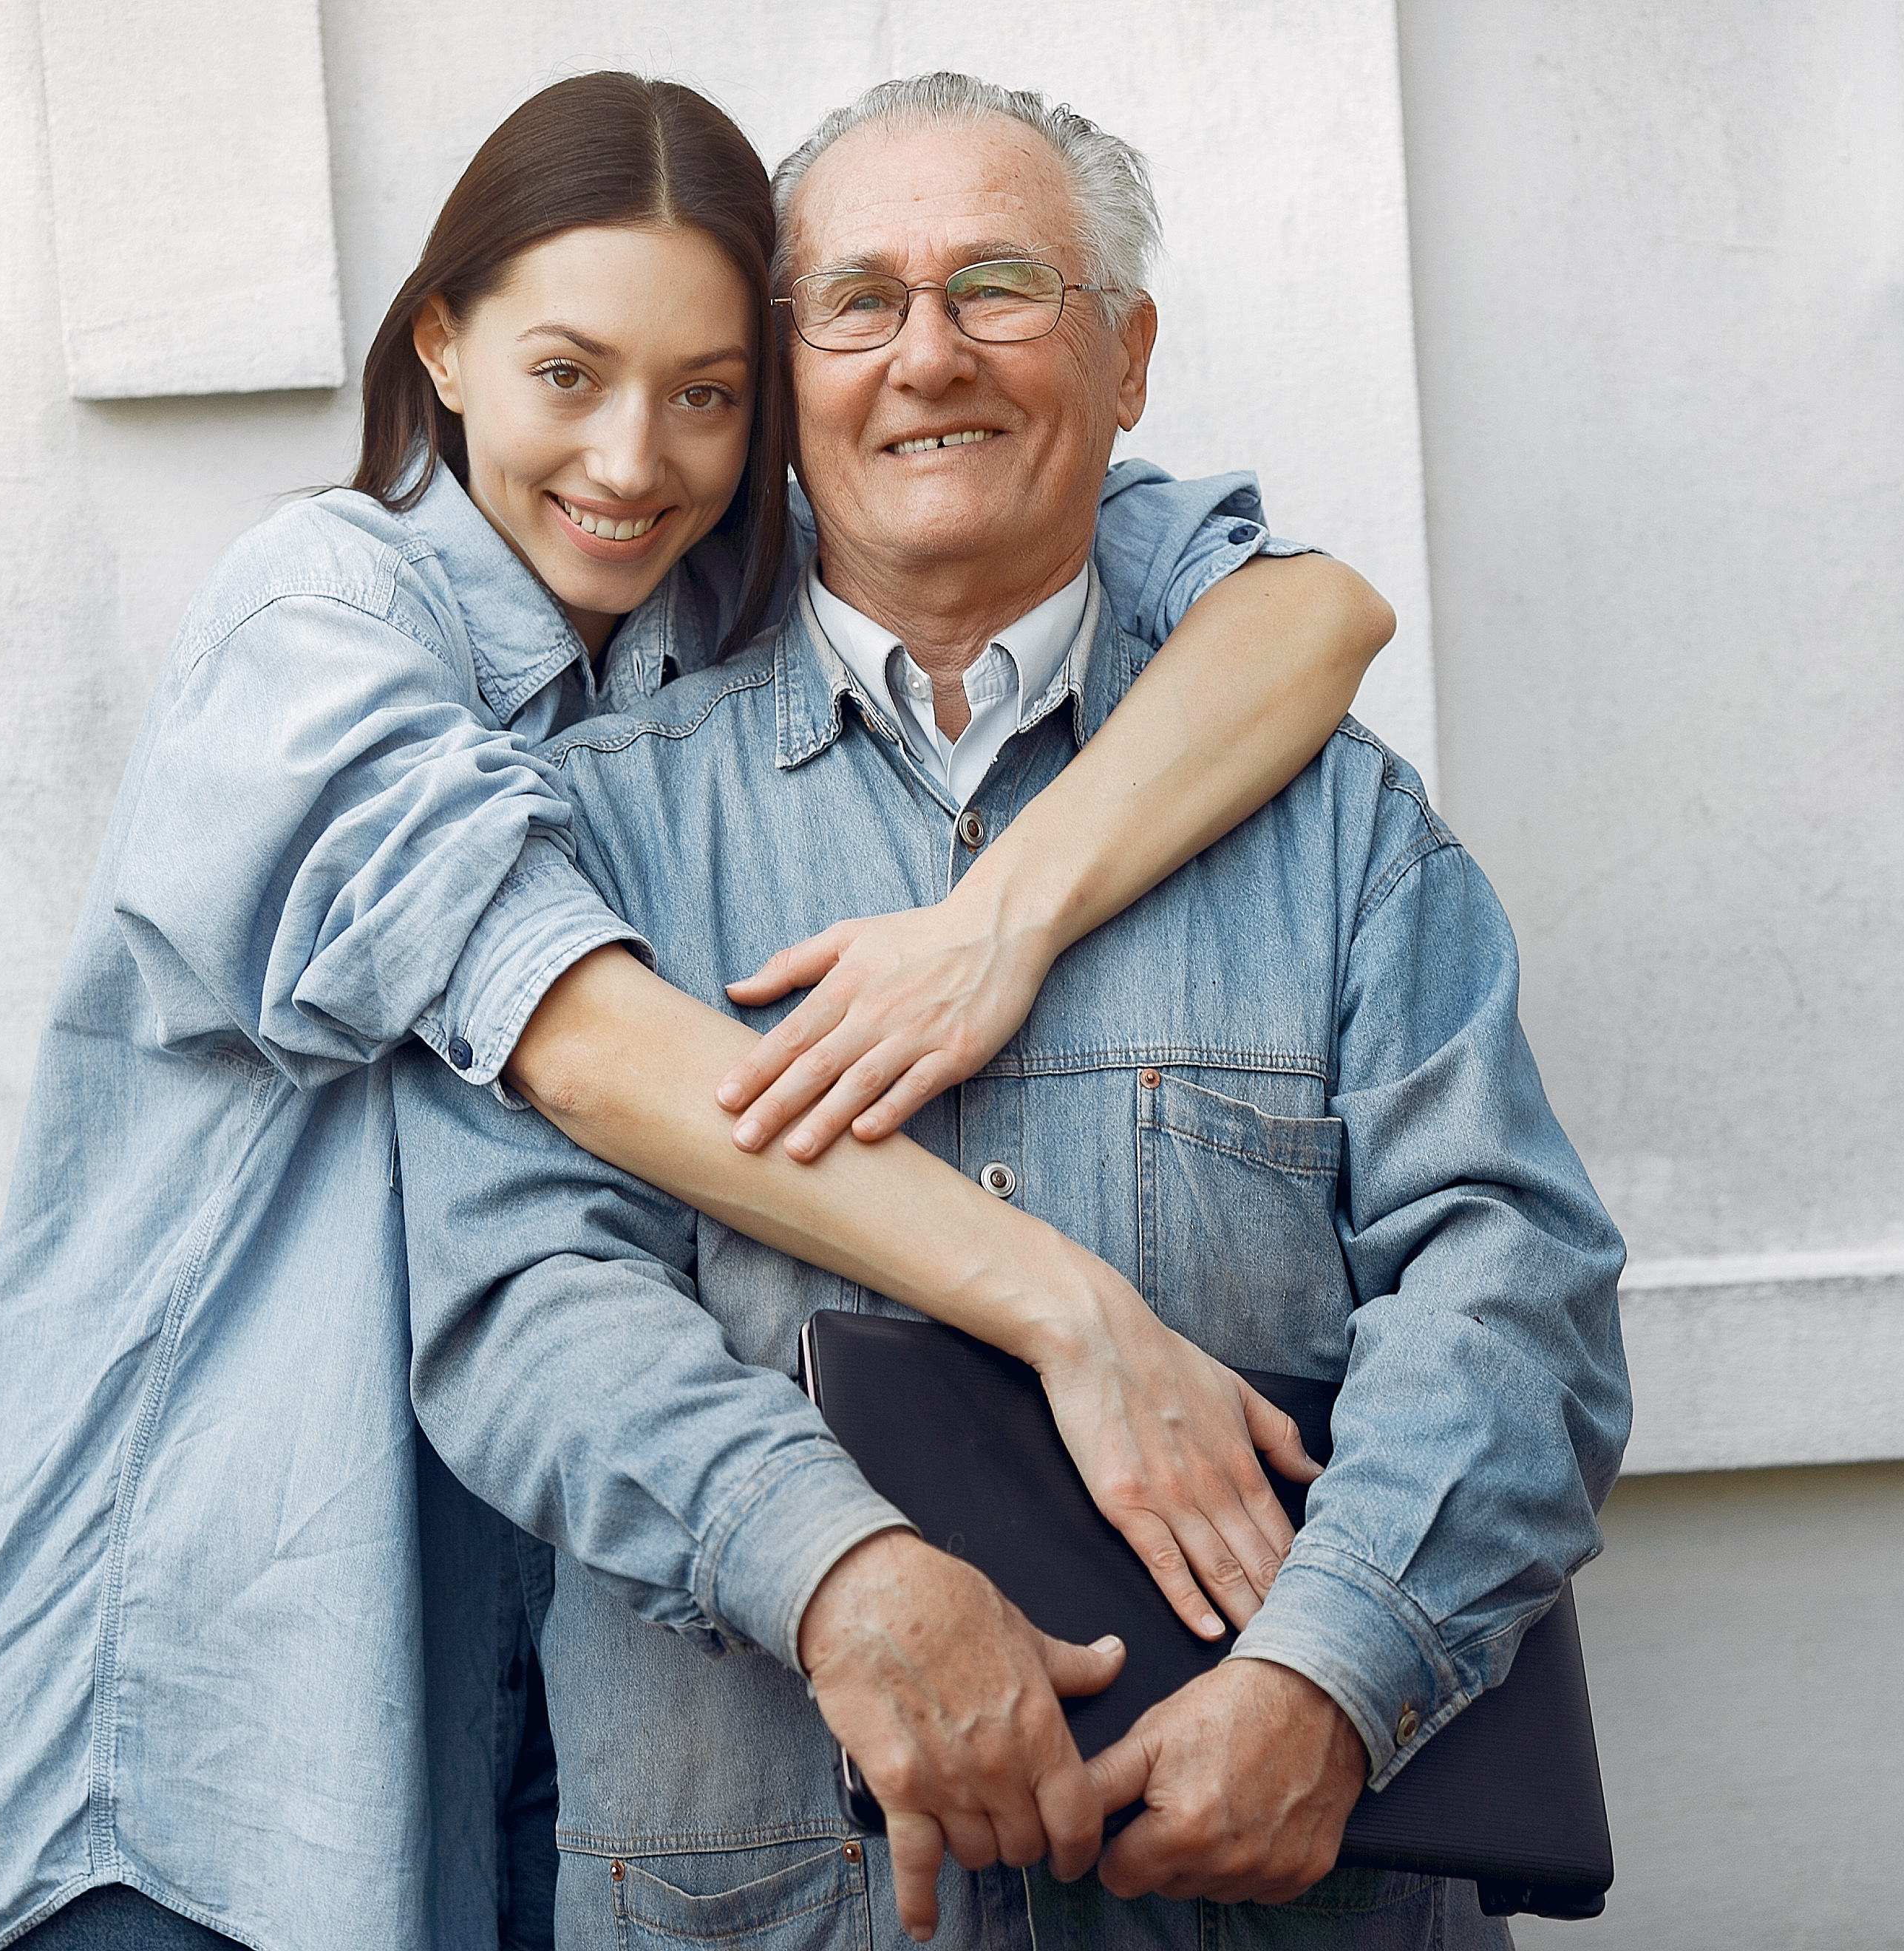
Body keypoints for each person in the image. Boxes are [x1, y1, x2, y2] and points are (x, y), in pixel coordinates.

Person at [0, 72, 1399, 1951]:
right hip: (222, 1738)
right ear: (440, 342)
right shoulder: (314, 634)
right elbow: (597, 1054)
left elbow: (1307, 617)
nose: (634, 457)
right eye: (567, 376)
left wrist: (1002, 920)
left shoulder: (692, 616)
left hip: (538, 1727)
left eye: (707, 395)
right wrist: (1079, 1319)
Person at [392, 72, 1633, 1951]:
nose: (928, 356)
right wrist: (845, 1574)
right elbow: (519, 1308)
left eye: (998, 285)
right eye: (859, 303)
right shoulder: (592, 813)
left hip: (1280, 1898)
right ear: (784, 376)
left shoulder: (1336, 821)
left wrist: (1335, 1672)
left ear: (1126, 360)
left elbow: (1515, 1287)